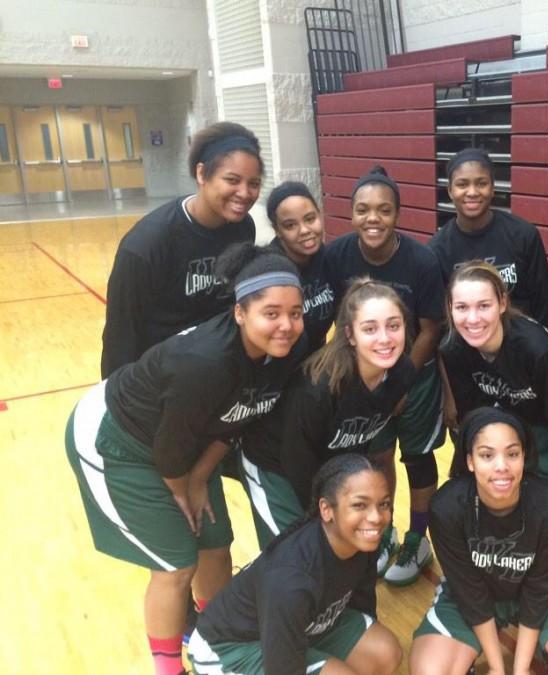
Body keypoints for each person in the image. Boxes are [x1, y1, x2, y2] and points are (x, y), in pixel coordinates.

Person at [66, 243, 307, 675]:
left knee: (215, 543)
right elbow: (169, 450)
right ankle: (168, 667)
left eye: (295, 312)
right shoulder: (205, 362)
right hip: (117, 440)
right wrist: (184, 489)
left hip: (186, 445)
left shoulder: (284, 350)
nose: (287, 325)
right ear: (240, 313)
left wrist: (199, 479)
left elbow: (238, 417)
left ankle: (216, 639)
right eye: (271, 313)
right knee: (177, 561)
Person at [409, 408, 548, 675]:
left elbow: (539, 590)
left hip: (545, 595)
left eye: (512, 454)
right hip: (471, 594)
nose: (501, 466)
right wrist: (497, 667)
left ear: (524, 457)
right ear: (470, 460)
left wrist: (519, 670)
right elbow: (469, 591)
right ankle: (467, 656)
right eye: (486, 455)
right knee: (430, 671)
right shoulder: (446, 507)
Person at [439, 261, 548, 589]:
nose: (473, 319)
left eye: (483, 306)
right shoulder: (454, 349)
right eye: (462, 308)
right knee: (525, 514)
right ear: (450, 310)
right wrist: (466, 469)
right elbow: (474, 417)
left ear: (502, 303)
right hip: (522, 431)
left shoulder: (534, 348)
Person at [325, 166, 446, 586]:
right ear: (351, 214)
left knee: (416, 457)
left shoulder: (422, 260)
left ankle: (417, 538)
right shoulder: (336, 255)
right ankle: (384, 530)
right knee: (376, 458)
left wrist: (400, 384)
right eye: (363, 210)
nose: (372, 218)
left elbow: (432, 328)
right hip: (364, 378)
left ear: (397, 213)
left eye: (383, 210)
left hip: (415, 375)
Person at [238, 279, 416, 548]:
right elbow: (296, 459)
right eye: (370, 329)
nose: (384, 338)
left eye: (394, 326)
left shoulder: (401, 373)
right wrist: (322, 515)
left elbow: (360, 437)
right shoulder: (319, 388)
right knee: (294, 553)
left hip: (326, 462)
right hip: (275, 465)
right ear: (350, 335)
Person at [187, 454, 403, 675]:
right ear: (326, 509)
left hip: (302, 625)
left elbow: (362, 606)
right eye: (360, 505)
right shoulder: (291, 579)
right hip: (230, 648)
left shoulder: (362, 542)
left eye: (383, 504)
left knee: (385, 652)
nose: (376, 517)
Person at [101, 121, 264, 377]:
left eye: (254, 183)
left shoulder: (243, 228)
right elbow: (120, 337)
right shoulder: (145, 245)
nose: (244, 193)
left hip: (218, 367)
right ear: (202, 174)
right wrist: (117, 400)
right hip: (162, 377)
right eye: (232, 180)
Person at [429, 147, 548, 333]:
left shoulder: (524, 235)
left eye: (481, 183)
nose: (472, 192)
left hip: (520, 345)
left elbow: (545, 311)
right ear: (450, 191)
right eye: (462, 184)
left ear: (493, 188)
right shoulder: (437, 250)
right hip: (468, 347)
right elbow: (442, 325)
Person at [265, 181, 335, 352]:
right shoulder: (269, 272)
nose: (304, 230)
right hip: (281, 367)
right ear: (277, 230)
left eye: (310, 219)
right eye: (290, 225)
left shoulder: (328, 258)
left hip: (318, 359)